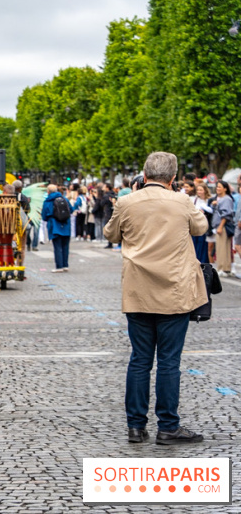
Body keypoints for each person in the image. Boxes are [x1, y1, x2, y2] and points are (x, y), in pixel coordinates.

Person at [104, 151, 208, 445]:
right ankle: (168, 426)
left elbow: (111, 235)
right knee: (168, 362)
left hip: (138, 289)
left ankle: (135, 427)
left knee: (139, 360)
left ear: (144, 175)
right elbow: (201, 228)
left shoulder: (126, 202)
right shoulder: (181, 200)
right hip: (174, 290)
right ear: (173, 178)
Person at [41, 184, 71, 273]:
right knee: (65, 246)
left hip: (54, 225)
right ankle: (65, 265)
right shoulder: (64, 199)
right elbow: (71, 210)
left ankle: (59, 266)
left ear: (48, 192)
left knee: (57, 246)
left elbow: (44, 216)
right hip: (66, 224)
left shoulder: (47, 201)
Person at [210, 180, 234, 277]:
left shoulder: (226, 199)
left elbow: (226, 215)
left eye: (220, 187)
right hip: (219, 226)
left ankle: (223, 268)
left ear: (225, 188)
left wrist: (220, 227)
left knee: (222, 248)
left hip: (222, 226)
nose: (217, 189)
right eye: (217, 187)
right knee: (222, 247)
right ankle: (224, 268)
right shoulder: (220, 199)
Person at [192, 184, 212, 265]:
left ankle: (203, 261)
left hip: (205, 224)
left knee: (203, 243)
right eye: (198, 190)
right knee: (196, 243)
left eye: (201, 190)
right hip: (196, 223)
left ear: (205, 190)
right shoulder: (195, 199)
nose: (199, 192)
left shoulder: (209, 200)